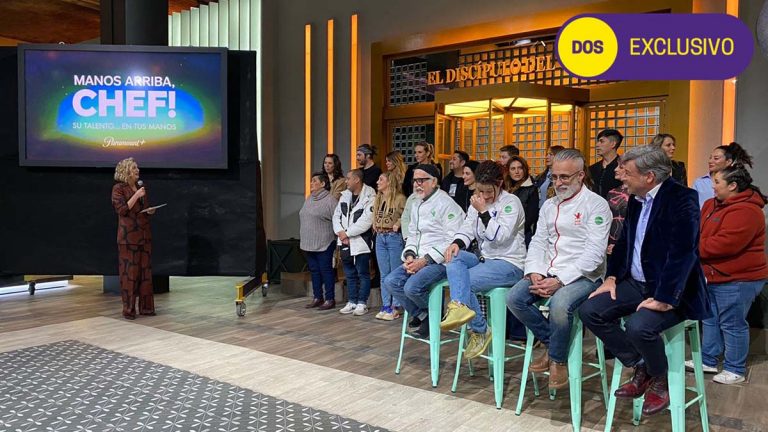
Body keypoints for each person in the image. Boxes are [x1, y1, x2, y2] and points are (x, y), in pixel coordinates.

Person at [580, 146, 710, 417]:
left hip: (674, 290)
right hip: (636, 283)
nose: (620, 176)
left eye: (626, 172)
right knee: (590, 310)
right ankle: (642, 365)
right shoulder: (636, 199)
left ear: (649, 176)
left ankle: (660, 380)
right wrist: (611, 277)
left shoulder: (682, 198)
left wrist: (665, 298)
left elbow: (683, 252)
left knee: (638, 327)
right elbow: (624, 243)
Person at [506, 149, 611, 389]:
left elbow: (594, 255)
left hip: (584, 275)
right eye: (554, 177)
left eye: (565, 177)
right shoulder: (549, 205)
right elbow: (538, 242)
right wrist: (534, 271)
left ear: (580, 175)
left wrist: (561, 280)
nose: (558, 182)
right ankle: (553, 343)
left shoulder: (596, 205)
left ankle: (557, 360)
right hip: (548, 270)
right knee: (514, 299)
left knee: (560, 304)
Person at [439, 161, 527, 359]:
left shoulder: (511, 202)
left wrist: (483, 212)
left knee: (464, 281)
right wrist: (456, 243)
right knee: (454, 257)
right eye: (481, 191)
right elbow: (467, 227)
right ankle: (460, 308)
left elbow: (500, 237)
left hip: (509, 263)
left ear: (499, 184)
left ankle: (479, 329)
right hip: (485, 259)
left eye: (489, 191)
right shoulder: (477, 201)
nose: (485, 196)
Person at [697, 164, 768, 384]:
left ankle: (735, 369)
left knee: (732, 324)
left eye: (717, 182)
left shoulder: (748, 210)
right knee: (710, 319)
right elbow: (698, 232)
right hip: (712, 275)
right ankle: (708, 360)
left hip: (738, 278)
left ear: (733, 185)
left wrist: (691, 247)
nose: (713, 186)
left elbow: (724, 244)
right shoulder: (711, 204)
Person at [383, 164, 464, 338]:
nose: (417, 184)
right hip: (418, 258)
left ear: (434, 182)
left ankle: (432, 315)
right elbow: (413, 234)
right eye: (415, 181)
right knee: (391, 281)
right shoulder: (416, 202)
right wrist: (410, 255)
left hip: (440, 261)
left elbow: (452, 241)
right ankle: (425, 315)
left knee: (412, 287)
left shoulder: (446, 203)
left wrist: (425, 260)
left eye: (422, 180)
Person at [111, 157, 155, 320]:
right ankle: (129, 310)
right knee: (129, 274)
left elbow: (141, 209)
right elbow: (122, 210)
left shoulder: (139, 187)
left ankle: (146, 308)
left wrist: (149, 210)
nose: (138, 170)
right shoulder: (118, 189)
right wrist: (136, 195)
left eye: (137, 168)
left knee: (145, 274)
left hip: (143, 235)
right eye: (134, 168)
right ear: (126, 171)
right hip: (128, 238)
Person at [333, 169, 376, 316]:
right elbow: (336, 216)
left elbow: (366, 221)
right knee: (349, 274)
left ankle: (362, 303)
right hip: (344, 241)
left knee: (362, 273)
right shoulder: (345, 195)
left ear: (357, 180)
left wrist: (347, 233)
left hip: (361, 241)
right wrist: (340, 232)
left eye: (348, 179)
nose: (346, 181)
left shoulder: (370, 196)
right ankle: (351, 301)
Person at [300, 172, 339, 310]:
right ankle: (317, 297)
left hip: (325, 242)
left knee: (325, 270)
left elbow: (337, 219)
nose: (311, 183)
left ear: (323, 184)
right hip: (309, 242)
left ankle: (330, 299)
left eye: (314, 181)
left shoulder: (330, 200)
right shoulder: (309, 198)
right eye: (311, 181)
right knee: (314, 271)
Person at [373, 171, 407, 321]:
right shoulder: (378, 198)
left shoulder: (400, 198)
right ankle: (386, 304)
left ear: (389, 182)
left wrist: (398, 223)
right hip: (380, 236)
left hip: (393, 237)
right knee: (384, 273)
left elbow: (406, 215)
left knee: (395, 273)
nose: (378, 182)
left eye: (381, 180)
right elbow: (375, 214)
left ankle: (396, 306)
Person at [693, 142, 751, 208]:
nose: (710, 161)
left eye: (716, 158)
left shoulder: (737, 182)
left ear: (728, 161)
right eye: (710, 158)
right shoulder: (699, 182)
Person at [505, 156, 539, 246]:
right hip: (502, 233)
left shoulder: (531, 189)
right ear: (508, 171)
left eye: (520, 168)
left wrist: (513, 232)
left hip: (521, 235)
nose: (516, 172)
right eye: (513, 168)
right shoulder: (504, 187)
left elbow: (530, 217)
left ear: (525, 169)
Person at [589, 129, 624, 199]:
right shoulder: (592, 169)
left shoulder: (623, 167)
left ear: (613, 144)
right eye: (598, 141)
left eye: (602, 141)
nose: (597, 145)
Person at [606, 158, 630, 255]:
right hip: (610, 241)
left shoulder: (640, 193)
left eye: (620, 167)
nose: (615, 169)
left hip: (629, 243)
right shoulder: (612, 193)